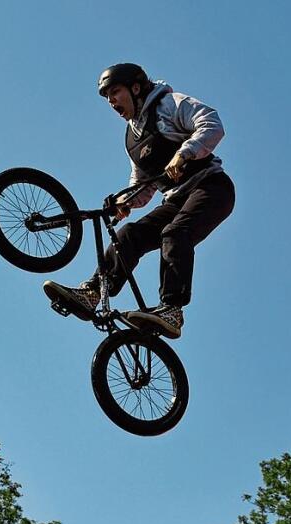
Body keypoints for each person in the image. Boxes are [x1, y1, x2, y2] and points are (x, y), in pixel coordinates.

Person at [43, 63, 235, 339]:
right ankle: (94, 292)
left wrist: (185, 153)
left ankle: (172, 310)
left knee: (175, 233)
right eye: (107, 97)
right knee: (130, 235)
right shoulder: (132, 139)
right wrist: (125, 202)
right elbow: (142, 186)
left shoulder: (168, 105)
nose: (111, 102)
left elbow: (212, 123)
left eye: (115, 92)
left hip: (212, 188)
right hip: (176, 199)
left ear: (135, 88)